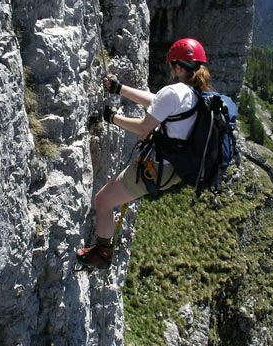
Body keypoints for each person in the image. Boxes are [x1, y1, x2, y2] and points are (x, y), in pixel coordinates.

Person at [76, 38, 213, 269]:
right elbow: (156, 101)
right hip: (172, 169)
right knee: (108, 198)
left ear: (178, 67)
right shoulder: (195, 94)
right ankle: (102, 250)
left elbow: (142, 127)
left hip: (157, 169)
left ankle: (102, 253)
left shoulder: (174, 92)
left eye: (172, 65)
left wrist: (113, 118)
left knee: (103, 200)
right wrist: (121, 90)